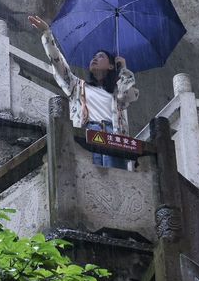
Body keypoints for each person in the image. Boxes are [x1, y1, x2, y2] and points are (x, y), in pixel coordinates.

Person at [28, 15, 139, 168]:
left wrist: (123, 69)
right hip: (88, 132)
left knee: (115, 180)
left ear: (111, 66)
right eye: (93, 57)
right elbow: (59, 65)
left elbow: (128, 94)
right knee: (90, 175)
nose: (94, 58)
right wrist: (47, 34)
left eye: (100, 57)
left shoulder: (117, 94)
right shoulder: (78, 87)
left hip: (114, 136)